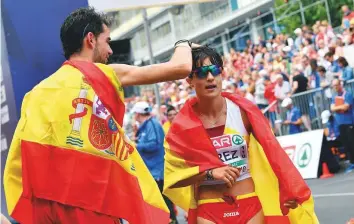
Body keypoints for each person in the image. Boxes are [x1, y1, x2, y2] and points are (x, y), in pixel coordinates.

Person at [4, 7, 195, 224]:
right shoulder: (106, 73)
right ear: (91, 39)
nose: (110, 50)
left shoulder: (37, 93)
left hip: (53, 209)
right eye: (108, 41)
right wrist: (183, 44)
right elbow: (181, 67)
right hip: (96, 206)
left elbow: (20, 162)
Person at [163, 46, 318, 224]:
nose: (210, 77)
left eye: (215, 70)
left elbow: (274, 155)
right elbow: (173, 177)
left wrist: (287, 188)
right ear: (190, 79)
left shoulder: (244, 112)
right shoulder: (182, 126)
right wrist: (210, 174)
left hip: (249, 204)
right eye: (201, 72)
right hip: (209, 208)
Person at [132, 102, 178, 224]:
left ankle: (172, 220)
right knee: (157, 202)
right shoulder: (145, 125)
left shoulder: (152, 124)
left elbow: (155, 145)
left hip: (157, 171)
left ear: (137, 114)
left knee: (164, 201)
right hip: (151, 170)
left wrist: (137, 145)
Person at [330, 79, 354, 173]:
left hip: (349, 122)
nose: (335, 87)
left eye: (336, 85)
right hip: (340, 123)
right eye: (334, 86)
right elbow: (332, 108)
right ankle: (352, 162)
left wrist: (337, 108)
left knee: (352, 142)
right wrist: (339, 108)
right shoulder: (334, 97)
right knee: (346, 144)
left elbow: (346, 107)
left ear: (340, 84)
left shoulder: (347, 94)